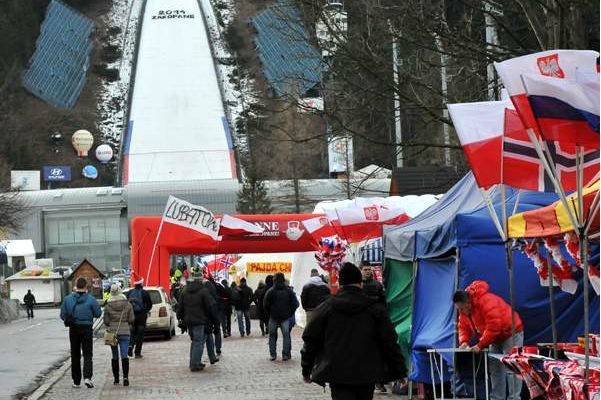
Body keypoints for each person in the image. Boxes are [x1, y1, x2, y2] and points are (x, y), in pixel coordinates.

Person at [301, 262, 407, 400]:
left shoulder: (326, 308)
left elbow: (310, 340)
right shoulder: (375, 309)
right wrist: (399, 371)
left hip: (337, 373)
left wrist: (306, 369)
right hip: (367, 373)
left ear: (340, 284)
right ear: (360, 283)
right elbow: (389, 341)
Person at [454, 281, 523, 400]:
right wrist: (464, 341)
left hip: (511, 332)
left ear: (467, 303)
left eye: (461, 308)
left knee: (512, 368)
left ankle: (514, 398)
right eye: (458, 309)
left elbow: (494, 326)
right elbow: (463, 327)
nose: (460, 311)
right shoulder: (464, 311)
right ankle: (497, 398)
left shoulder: (486, 301)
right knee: (495, 369)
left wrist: (480, 345)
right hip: (494, 338)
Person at [60, 277, 102, 388]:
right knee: (88, 354)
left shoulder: (68, 299)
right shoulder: (91, 299)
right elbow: (98, 313)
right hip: (87, 328)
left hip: (73, 329)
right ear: (85, 287)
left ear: (75, 286)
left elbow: (62, 315)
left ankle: (76, 381)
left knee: (75, 355)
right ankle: (87, 378)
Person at [177, 272, 218, 371]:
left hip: (188, 321)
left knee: (194, 341)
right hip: (200, 320)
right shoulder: (203, 291)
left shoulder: (185, 290)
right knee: (198, 342)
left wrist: (180, 317)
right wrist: (214, 318)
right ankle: (195, 364)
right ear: (201, 280)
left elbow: (180, 306)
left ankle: (194, 362)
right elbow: (209, 307)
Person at [360, 262, 387, 393]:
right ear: (360, 270)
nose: (368, 271)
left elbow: (383, 303)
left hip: (375, 323)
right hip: (361, 324)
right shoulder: (357, 286)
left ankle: (379, 382)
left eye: (369, 269)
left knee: (377, 353)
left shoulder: (377, 285)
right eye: (365, 269)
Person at [103, 284, 135, 386]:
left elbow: (106, 321)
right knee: (124, 355)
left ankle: (116, 379)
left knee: (114, 355)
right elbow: (131, 319)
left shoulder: (108, 306)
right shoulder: (127, 304)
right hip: (125, 332)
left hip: (113, 333)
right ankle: (125, 378)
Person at [263, 272, 299, 361]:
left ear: (274, 280)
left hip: (273, 316)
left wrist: (270, 313)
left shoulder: (270, 291)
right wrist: (290, 313)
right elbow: (295, 303)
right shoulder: (289, 291)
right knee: (286, 335)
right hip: (285, 316)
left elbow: (265, 304)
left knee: (272, 335)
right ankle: (285, 355)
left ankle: (273, 354)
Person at [126, 278, 153, 359]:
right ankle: (137, 353)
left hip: (132, 316)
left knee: (132, 333)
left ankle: (130, 346)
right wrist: (145, 310)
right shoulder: (144, 293)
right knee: (140, 335)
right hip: (141, 316)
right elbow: (150, 304)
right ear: (141, 284)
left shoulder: (130, 292)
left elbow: (127, 303)